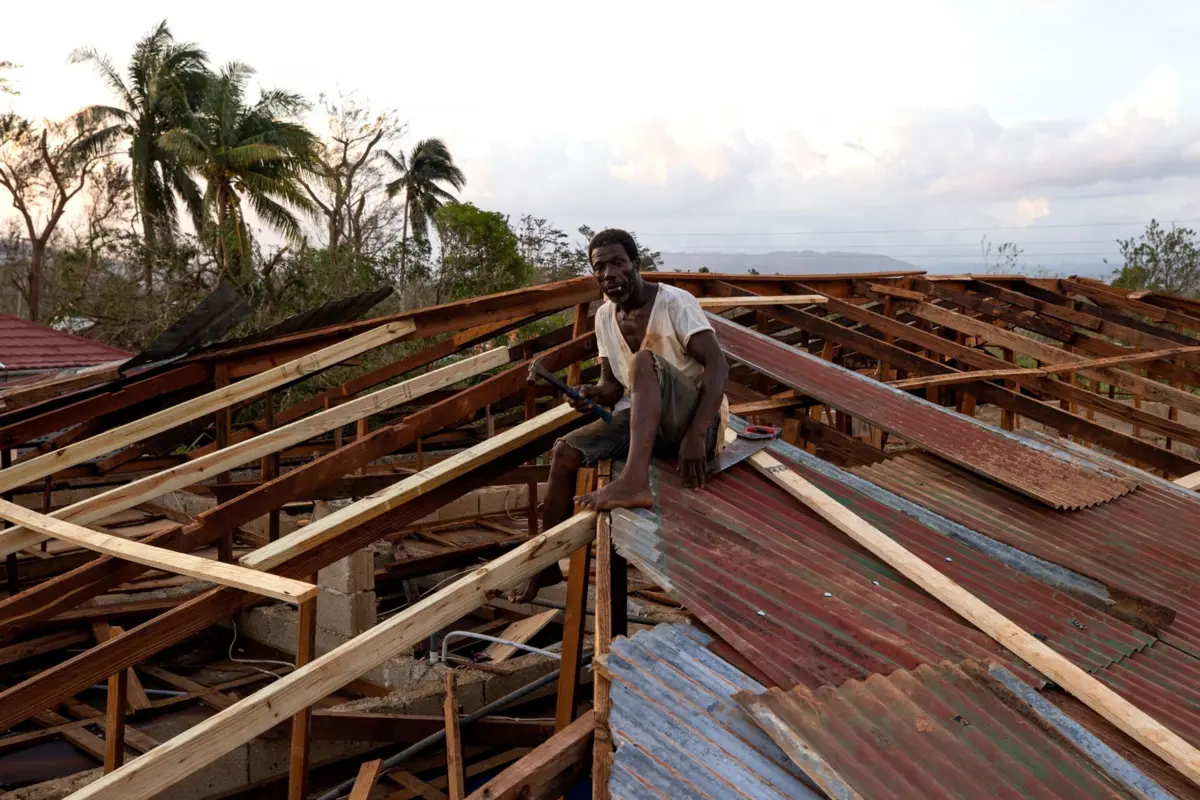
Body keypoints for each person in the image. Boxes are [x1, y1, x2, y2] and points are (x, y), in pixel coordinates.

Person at [507, 228, 729, 602]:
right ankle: (545, 566)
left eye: (617, 263)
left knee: (646, 361)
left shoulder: (675, 303)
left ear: (635, 266)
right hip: (647, 422)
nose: (609, 273)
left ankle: (633, 481)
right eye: (600, 267)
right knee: (564, 452)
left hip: (691, 423)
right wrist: (592, 393)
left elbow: (719, 366)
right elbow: (613, 386)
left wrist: (696, 434)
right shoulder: (605, 318)